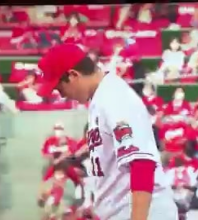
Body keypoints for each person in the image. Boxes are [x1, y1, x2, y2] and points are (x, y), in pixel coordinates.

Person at [36, 44, 177, 220]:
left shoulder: (114, 97)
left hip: (143, 212)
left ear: (73, 75)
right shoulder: (101, 99)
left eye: (60, 88)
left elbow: (142, 164)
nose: (62, 95)